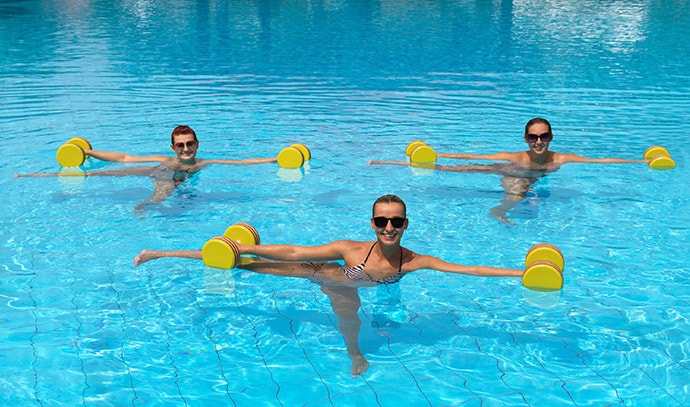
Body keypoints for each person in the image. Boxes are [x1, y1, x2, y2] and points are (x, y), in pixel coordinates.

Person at [133, 194, 524, 377]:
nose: (389, 227)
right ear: (373, 224)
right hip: (330, 278)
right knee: (247, 266)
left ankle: (356, 348)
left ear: (406, 225)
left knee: (366, 306)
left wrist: (521, 275)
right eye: (382, 221)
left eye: (397, 222)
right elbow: (292, 250)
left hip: (359, 282)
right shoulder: (350, 249)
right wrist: (244, 245)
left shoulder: (415, 261)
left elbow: (467, 269)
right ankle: (160, 253)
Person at [369, 118, 647, 224]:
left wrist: (640, 163)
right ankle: (498, 212)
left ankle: (503, 208)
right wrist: (433, 153)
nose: (539, 141)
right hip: (513, 170)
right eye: (533, 137)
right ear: (526, 139)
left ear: (551, 137)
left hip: (532, 178)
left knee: (523, 190)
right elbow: (469, 157)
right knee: (458, 170)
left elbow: (599, 161)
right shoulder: (513, 155)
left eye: (544, 136)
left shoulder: (561, 158)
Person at [16, 125, 277, 209]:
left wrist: (275, 160)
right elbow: (125, 158)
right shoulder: (166, 159)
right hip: (161, 171)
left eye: (189, 145)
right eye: (180, 146)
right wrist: (87, 151)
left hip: (170, 177)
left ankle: (147, 205)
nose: (185, 149)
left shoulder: (203, 162)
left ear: (197, 144)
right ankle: (38, 175)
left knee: (161, 194)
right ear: (173, 148)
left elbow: (242, 162)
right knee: (101, 172)